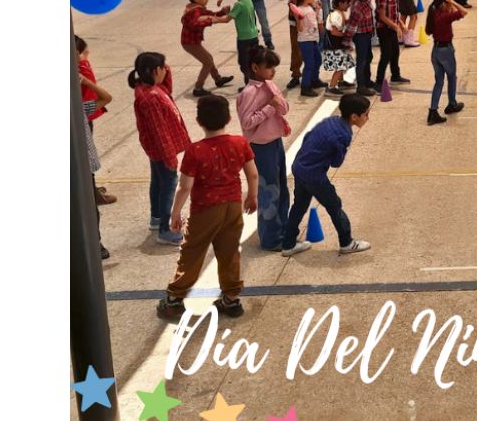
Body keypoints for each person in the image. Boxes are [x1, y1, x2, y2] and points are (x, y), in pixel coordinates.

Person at [156, 95, 258, 321]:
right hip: (233, 205)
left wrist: (175, 213)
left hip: (205, 209)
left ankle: (174, 299)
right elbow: (252, 174)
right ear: (228, 118)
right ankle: (231, 299)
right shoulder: (240, 143)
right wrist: (252, 196)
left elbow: (185, 187)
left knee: (192, 252)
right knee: (229, 251)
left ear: (199, 121)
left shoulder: (195, 150)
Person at [282, 94, 373, 257]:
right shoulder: (344, 134)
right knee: (334, 206)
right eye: (366, 114)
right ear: (354, 116)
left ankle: (288, 244)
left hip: (299, 167)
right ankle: (347, 242)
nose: (368, 118)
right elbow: (336, 163)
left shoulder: (331, 121)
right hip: (314, 176)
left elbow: (308, 137)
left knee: (299, 205)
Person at [129, 52, 191, 246]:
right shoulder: (152, 98)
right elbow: (160, 131)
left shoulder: (151, 88)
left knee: (158, 181)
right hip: (162, 149)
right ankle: (166, 229)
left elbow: (167, 85)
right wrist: (170, 157)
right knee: (169, 184)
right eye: (163, 67)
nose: (166, 70)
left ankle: (156, 218)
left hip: (156, 149)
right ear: (156, 71)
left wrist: (164, 68)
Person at [237, 48, 292, 251]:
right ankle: (271, 238)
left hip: (275, 142)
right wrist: (269, 107)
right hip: (260, 148)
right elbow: (247, 122)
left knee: (281, 188)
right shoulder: (249, 93)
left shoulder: (270, 85)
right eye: (269, 67)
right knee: (269, 191)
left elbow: (284, 108)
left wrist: (278, 103)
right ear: (255, 68)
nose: (273, 71)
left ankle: (283, 228)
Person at [78, 68, 114, 260]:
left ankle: (95, 241)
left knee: (92, 209)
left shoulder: (81, 109)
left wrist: (85, 82)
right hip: (76, 169)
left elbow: (106, 98)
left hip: (86, 169)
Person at [76, 36, 114, 206]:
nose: (87, 55)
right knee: (86, 158)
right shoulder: (80, 70)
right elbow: (104, 95)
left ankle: (92, 188)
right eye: (83, 53)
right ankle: (92, 193)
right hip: (84, 114)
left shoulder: (79, 68)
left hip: (87, 111)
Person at [181, 0, 235, 97]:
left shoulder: (196, 8)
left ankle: (218, 79)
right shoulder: (195, 11)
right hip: (190, 42)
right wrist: (210, 21)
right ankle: (198, 87)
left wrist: (221, 12)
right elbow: (194, 24)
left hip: (192, 41)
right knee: (207, 62)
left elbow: (210, 14)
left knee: (208, 58)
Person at [425, 0, 468, 125]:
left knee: (439, 81)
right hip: (446, 51)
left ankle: (433, 111)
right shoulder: (444, 17)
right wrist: (453, 2)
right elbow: (464, 12)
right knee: (452, 77)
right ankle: (452, 104)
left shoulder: (435, 13)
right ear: (445, 3)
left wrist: (449, 1)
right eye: (449, 1)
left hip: (436, 51)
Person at [374, 0, 411, 90]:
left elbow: (394, 14)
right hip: (384, 29)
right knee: (386, 55)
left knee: (395, 52)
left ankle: (395, 75)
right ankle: (379, 82)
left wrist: (401, 24)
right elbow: (382, 17)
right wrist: (396, 27)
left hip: (392, 28)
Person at [289, 0, 325, 97]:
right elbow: (300, 29)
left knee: (318, 60)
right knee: (309, 63)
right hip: (305, 41)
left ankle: (314, 80)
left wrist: (318, 9)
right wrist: (298, 19)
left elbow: (314, 20)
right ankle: (305, 86)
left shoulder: (309, 8)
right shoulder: (300, 10)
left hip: (313, 39)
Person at [347, 0, 379, 97]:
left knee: (368, 57)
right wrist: (347, 42)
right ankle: (361, 86)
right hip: (360, 36)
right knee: (361, 61)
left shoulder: (366, 2)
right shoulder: (357, 7)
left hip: (367, 34)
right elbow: (351, 27)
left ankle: (367, 80)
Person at [227, 0, 260, 87]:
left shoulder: (239, 4)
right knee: (252, 61)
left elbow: (227, 19)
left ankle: (249, 85)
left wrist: (212, 19)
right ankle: (253, 83)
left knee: (244, 63)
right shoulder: (249, 1)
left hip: (244, 38)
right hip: (253, 35)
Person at [321, 0, 355, 95]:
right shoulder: (336, 15)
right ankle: (331, 87)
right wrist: (346, 35)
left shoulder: (339, 13)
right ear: (340, 4)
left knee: (342, 64)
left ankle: (341, 81)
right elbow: (334, 32)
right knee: (339, 67)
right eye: (347, 3)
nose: (349, 5)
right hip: (334, 45)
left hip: (337, 44)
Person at [284, 0, 313, 89]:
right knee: (296, 50)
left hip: (309, 25)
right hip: (294, 26)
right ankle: (295, 75)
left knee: (311, 50)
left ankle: (312, 76)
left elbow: (316, 2)